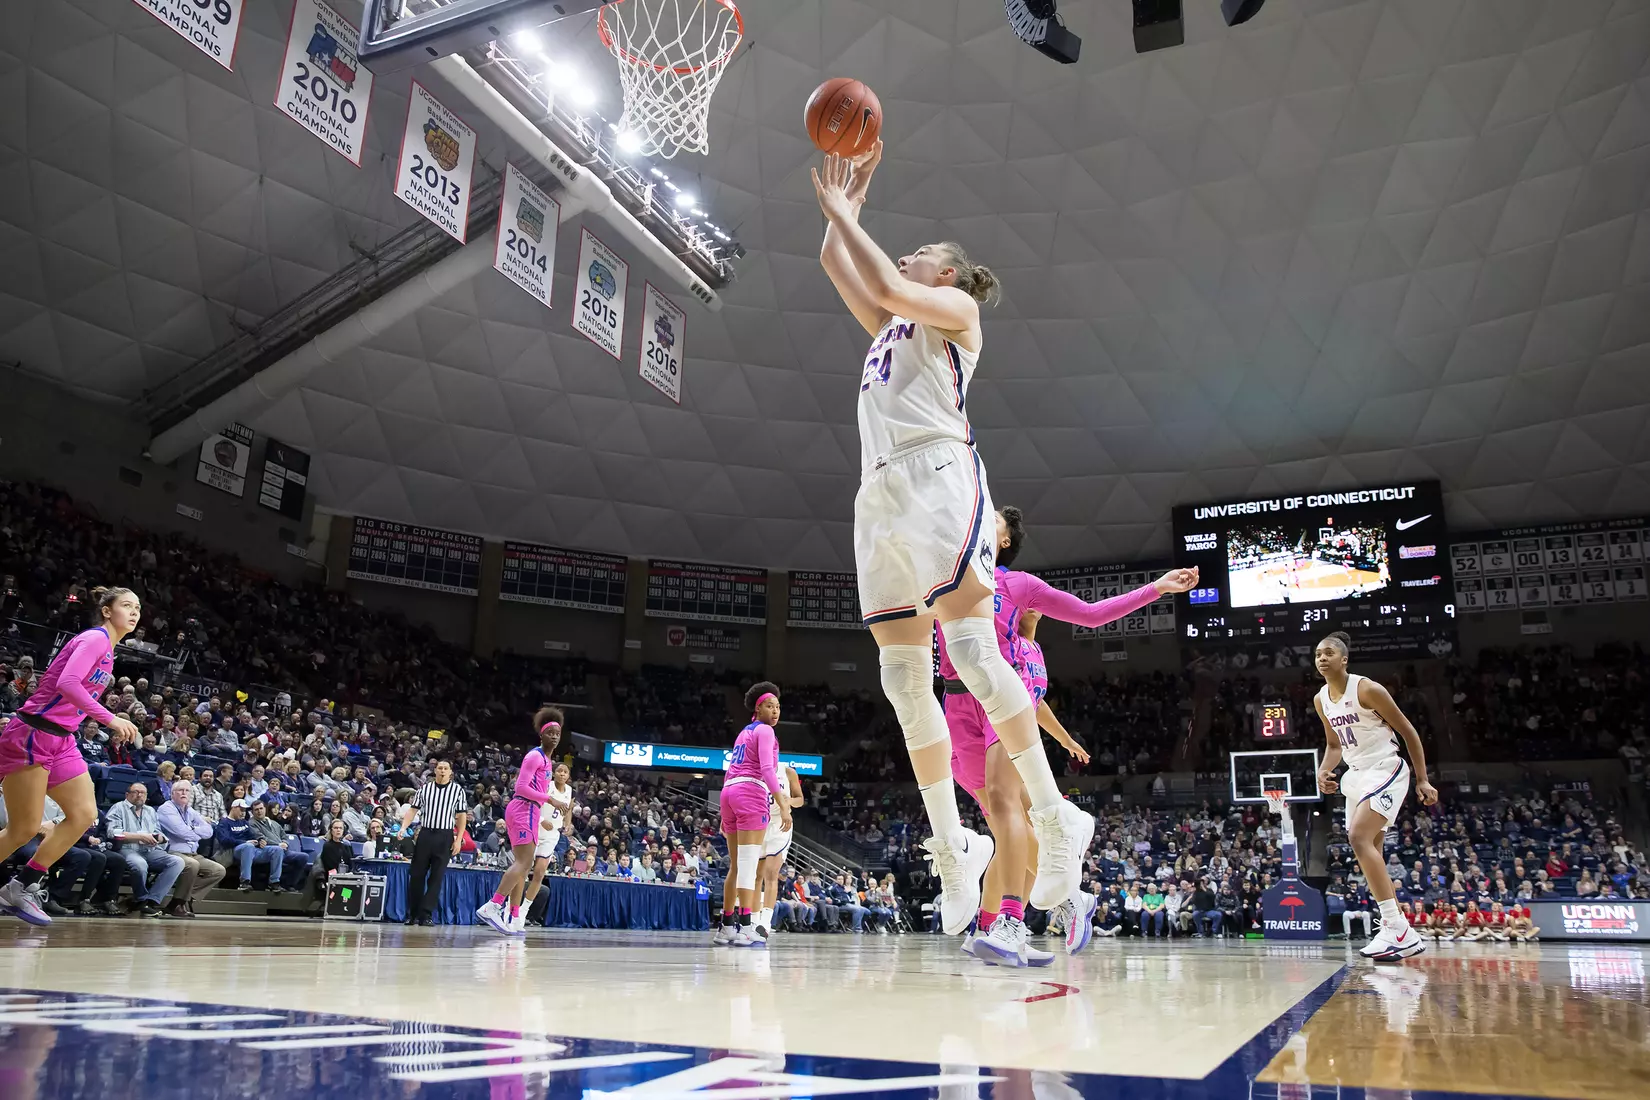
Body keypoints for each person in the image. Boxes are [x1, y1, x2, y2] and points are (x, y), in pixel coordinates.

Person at [811, 143, 1093, 935]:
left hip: (939, 477)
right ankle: (950, 844)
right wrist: (845, 214)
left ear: (953, 276)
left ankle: (1054, 815)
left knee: (971, 654)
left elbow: (891, 283)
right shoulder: (893, 326)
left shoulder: (958, 316)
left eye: (924, 251)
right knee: (904, 678)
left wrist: (848, 221)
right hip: (880, 491)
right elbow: (840, 267)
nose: (909, 256)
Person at [945, 509, 1199, 965]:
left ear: (1004, 542)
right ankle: (1063, 900)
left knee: (1006, 807)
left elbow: (1091, 614)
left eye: (996, 520)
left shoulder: (1019, 585)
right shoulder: (950, 573)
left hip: (1000, 699)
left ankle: (1009, 921)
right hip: (954, 702)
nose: (986, 518)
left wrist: (1157, 588)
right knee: (1008, 824)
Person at [0, 587, 141, 924]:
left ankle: (21, 886)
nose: (134, 612)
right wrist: (109, 718)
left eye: (138, 608)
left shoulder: (109, 651)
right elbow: (68, 683)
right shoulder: (93, 640)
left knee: (83, 815)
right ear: (107, 611)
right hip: (32, 733)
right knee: (24, 828)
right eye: (126, 605)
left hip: (62, 740)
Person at [1315, 630, 1439, 962]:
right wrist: (1323, 770)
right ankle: (1394, 928)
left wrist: (1423, 780)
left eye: (1328, 653)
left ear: (1343, 659)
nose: (1321, 658)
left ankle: (1398, 928)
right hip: (1356, 776)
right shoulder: (1321, 699)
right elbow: (1333, 745)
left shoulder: (1367, 688)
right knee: (1371, 850)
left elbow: (1408, 731)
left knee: (1357, 838)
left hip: (1386, 767)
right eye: (1317, 655)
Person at [714, 684, 791, 947]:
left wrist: (724, 816)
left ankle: (725, 927)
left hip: (729, 791)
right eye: (770, 705)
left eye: (778, 706)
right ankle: (746, 927)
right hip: (750, 793)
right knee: (748, 866)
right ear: (758, 708)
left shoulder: (743, 733)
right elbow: (768, 770)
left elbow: (729, 769)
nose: (775, 710)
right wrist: (782, 803)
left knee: (736, 867)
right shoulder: (766, 730)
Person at [477, 708, 562, 935]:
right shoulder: (535, 756)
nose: (554, 736)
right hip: (524, 807)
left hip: (530, 811)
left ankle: (514, 916)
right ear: (541, 735)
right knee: (524, 864)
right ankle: (493, 906)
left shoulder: (547, 761)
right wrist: (550, 799)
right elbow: (521, 787)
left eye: (558, 733)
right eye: (550, 732)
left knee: (522, 868)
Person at [402, 759, 468, 927]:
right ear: (435, 770)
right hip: (425, 834)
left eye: (446, 768)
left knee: (436, 877)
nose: (442, 771)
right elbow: (413, 809)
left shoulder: (457, 790)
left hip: (445, 835)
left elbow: (461, 817)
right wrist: (403, 827)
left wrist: (458, 839)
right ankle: (413, 914)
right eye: (440, 768)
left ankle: (426, 914)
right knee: (416, 875)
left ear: (450, 771)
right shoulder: (425, 789)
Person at [106, 782, 184, 917]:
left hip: (150, 850)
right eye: (136, 792)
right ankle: (141, 899)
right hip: (127, 848)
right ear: (127, 794)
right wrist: (139, 836)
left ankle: (151, 901)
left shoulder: (150, 811)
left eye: (143, 793)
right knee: (140, 865)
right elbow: (113, 833)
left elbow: (158, 831)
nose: (139, 795)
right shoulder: (118, 808)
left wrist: (160, 838)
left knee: (177, 862)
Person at [155, 779, 224, 918]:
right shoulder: (166, 808)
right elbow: (181, 832)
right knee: (193, 865)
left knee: (218, 870)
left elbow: (209, 831)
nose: (184, 793)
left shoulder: (190, 811)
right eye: (180, 790)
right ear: (172, 793)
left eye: (187, 791)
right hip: (173, 851)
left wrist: (191, 828)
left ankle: (182, 899)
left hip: (193, 853)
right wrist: (195, 832)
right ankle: (179, 903)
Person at [753, 763, 804, 940]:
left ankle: (765, 924)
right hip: (758, 823)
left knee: (771, 874)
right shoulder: (754, 769)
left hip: (779, 825)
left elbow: (800, 799)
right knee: (755, 876)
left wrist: (787, 801)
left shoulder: (788, 772)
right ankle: (753, 921)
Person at [523, 762, 574, 928]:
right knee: (523, 870)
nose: (562, 774)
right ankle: (511, 907)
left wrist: (567, 824)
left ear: (568, 775)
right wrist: (542, 821)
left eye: (565, 772)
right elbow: (533, 804)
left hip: (552, 834)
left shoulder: (569, 790)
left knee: (539, 873)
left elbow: (568, 810)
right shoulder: (547, 786)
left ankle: (524, 910)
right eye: (559, 771)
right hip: (536, 828)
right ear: (554, 773)